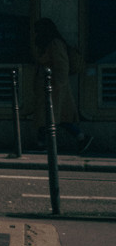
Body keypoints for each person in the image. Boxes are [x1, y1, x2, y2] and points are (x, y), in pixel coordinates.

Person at [31, 18, 92, 153]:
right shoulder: (48, 45)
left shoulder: (55, 44)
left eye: (38, 30)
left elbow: (62, 67)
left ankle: (43, 143)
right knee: (53, 117)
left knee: (53, 117)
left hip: (54, 88)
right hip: (49, 88)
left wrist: (56, 86)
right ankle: (80, 138)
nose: (36, 33)